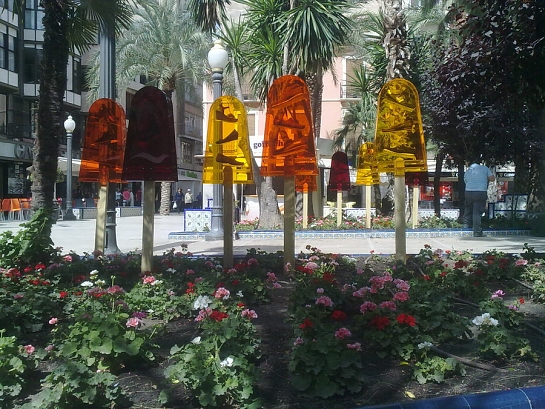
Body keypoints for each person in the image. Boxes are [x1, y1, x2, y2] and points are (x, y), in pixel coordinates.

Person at [464, 159, 495, 237]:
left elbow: (466, 181)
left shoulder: (468, 170)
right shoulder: (485, 168)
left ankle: (466, 227)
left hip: (468, 192)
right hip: (480, 192)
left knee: (468, 209)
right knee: (477, 212)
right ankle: (477, 231)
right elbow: (492, 178)